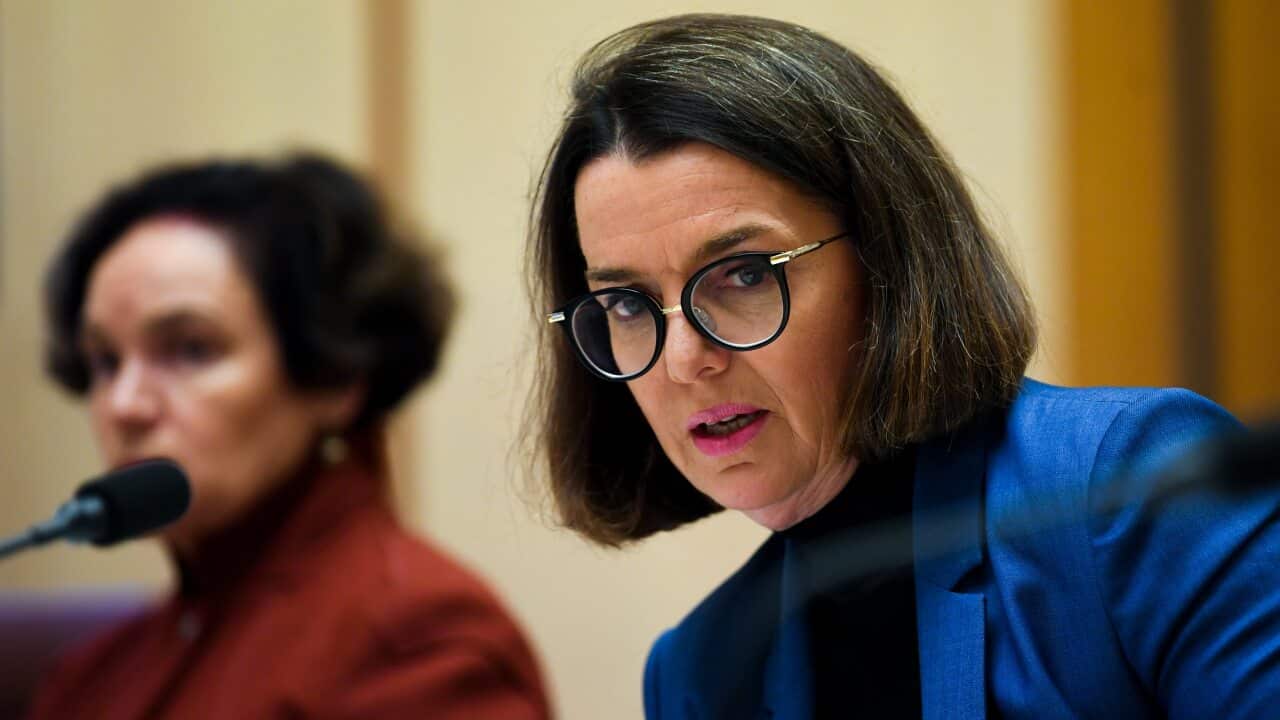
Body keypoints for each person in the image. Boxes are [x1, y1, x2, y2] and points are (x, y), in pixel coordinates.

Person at [527, 13, 1280, 719]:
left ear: (887, 262)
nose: (687, 360)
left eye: (746, 275)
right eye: (627, 304)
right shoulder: (704, 669)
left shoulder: (1131, 487)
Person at [29, 154, 551, 719]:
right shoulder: (95, 671)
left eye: (191, 349)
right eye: (105, 361)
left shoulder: (416, 640)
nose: (125, 405)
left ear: (332, 373)